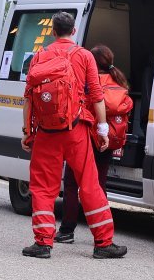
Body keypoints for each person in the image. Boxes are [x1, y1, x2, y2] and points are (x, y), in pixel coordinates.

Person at [20, 12, 126, 259]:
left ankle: (43, 243)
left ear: (54, 32)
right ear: (74, 31)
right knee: (89, 184)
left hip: (46, 132)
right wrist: (102, 130)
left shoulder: (40, 56)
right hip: (75, 130)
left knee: (44, 187)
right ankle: (103, 243)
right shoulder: (84, 56)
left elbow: (28, 99)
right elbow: (97, 97)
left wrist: (28, 132)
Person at [54, 44, 133, 244]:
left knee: (72, 183)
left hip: (87, 136)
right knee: (99, 185)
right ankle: (103, 231)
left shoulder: (90, 82)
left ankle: (66, 230)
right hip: (108, 140)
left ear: (92, 62)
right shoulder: (120, 81)